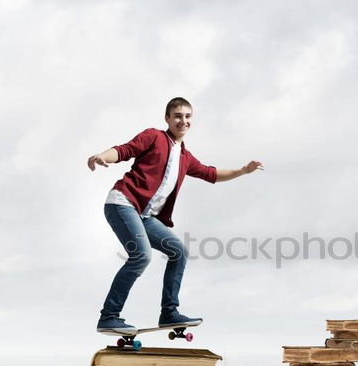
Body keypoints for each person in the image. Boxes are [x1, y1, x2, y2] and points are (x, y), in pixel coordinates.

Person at [87, 97, 262, 334]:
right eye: (178, 116)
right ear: (167, 118)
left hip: (145, 216)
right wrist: (102, 156)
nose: (183, 121)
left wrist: (242, 171)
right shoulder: (154, 136)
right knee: (141, 256)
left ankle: (169, 312)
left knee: (178, 251)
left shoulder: (185, 157)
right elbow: (124, 150)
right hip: (123, 203)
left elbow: (211, 174)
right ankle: (109, 315)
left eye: (188, 117)